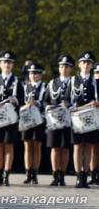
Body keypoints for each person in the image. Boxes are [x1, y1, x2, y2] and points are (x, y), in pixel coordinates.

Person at [0, 50, 23, 186]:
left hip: (10, 118)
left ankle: (6, 175)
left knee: (8, 146)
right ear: (0, 64)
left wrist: (16, 101)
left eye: (9, 62)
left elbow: (22, 99)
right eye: (4, 62)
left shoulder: (17, 81)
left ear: (12, 65)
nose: (7, 64)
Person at [68, 51, 98, 188]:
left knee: (88, 146)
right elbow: (66, 99)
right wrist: (70, 107)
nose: (86, 65)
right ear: (79, 64)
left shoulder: (96, 81)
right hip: (77, 118)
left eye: (89, 63)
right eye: (84, 62)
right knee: (78, 146)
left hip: (90, 118)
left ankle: (85, 176)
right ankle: (78, 177)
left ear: (92, 66)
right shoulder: (73, 80)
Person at [45, 54, 74, 186]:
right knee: (55, 148)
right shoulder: (52, 83)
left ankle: (62, 175)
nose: (64, 69)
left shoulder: (74, 82)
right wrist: (47, 106)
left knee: (65, 148)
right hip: (54, 120)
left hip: (68, 119)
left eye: (67, 66)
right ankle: (55, 174)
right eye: (62, 66)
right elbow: (45, 100)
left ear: (71, 68)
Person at [20, 62, 46, 184]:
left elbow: (46, 101)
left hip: (39, 120)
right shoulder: (24, 87)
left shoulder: (45, 87)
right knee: (27, 147)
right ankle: (28, 172)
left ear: (41, 75)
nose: (33, 75)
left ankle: (35, 173)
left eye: (36, 73)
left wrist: (37, 103)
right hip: (26, 119)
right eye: (31, 73)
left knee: (37, 147)